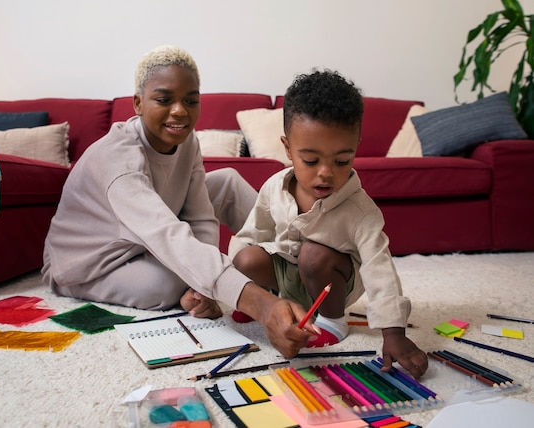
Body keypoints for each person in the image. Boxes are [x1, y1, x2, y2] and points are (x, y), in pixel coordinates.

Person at [41, 45, 316, 358]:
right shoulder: (118, 161)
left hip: (145, 233)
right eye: (164, 99)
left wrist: (203, 286)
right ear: (138, 104)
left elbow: (199, 217)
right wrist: (261, 305)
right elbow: (168, 236)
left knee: (226, 181)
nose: (180, 111)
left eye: (190, 100)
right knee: (166, 285)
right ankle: (79, 286)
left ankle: (299, 261)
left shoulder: (187, 140)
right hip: (90, 261)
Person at [228, 69, 428, 378]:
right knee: (245, 256)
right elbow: (253, 233)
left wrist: (393, 333)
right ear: (287, 148)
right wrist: (242, 291)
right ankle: (277, 303)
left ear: (356, 147)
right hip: (288, 277)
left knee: (314, 254)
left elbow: (380, 270)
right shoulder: (274, 187)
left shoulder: (360, 211)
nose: (326, 173)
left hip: (331, 282)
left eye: (341, 160)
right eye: (310, 160)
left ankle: (334, 321)